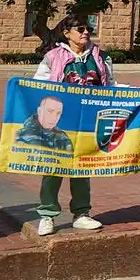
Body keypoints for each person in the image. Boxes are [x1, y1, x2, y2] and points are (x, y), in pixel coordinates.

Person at [31, 15, 115, 236]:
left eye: (88, 28)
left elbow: (111, 87)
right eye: (80, 28)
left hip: (88, 123)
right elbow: (38, 86)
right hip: (60, 122)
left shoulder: (101, 57)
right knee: (53, 168)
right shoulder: (53, 57)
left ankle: (81, 214)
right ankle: (47, 215)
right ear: (67, 33)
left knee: (82, 167)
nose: (85, 32)